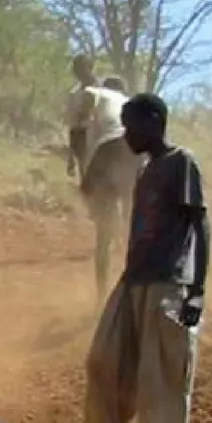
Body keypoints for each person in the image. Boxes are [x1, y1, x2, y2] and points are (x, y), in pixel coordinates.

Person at [84, 93, 209, 423]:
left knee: (162, 382)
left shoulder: (180, 163)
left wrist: (196, 291)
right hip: (133, 280)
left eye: (131, 123)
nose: (126, 133)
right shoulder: (145, 169)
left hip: (168, 284)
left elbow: (199, 226)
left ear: (155, 121)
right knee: (102, 362)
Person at [65, 60, 141, 299]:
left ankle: (101, 296)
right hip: (136, 148)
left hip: (107, 149)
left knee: (104, 234)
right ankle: (137, 284)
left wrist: (80, 166)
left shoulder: (95, 91)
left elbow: (79, 127)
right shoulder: (130, 102)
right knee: (133, 220)